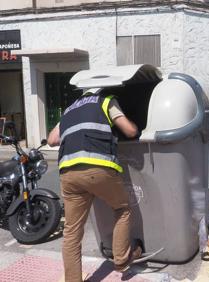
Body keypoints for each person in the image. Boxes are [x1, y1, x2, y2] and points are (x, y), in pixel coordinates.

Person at [48, 88, 142, 282]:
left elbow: (52, 140)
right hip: (98, 169)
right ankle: (122, 261)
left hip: (68, 172)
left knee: (72, 231)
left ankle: (72, 279)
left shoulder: (69, 110)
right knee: (123, 209)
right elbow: (130, 131)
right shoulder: (106, 101)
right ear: (100, 91)